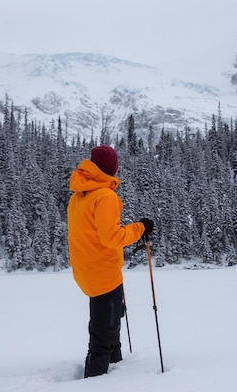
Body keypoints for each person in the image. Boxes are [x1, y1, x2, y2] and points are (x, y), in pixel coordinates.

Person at [67, 145, 154, 378]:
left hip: (88, 272)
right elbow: (112, 237)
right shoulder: (105, 196)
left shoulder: (79, 196)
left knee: (110, 322)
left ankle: (116, 371)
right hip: (104, 275)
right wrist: (141, 228)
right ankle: (96, 381)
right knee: (103, 338)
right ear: (111, 169)